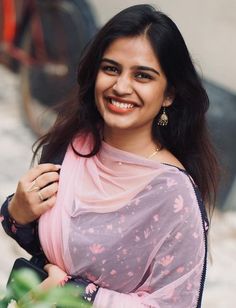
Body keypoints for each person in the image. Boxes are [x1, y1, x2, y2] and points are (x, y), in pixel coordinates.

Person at [1, 4, 219, 307]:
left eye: (142, 76)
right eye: (111, 69)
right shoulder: (73, 145)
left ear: (169, 93)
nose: (121, 87)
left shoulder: (173, 194)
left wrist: (76, 294)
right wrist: (16, 214)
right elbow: (54, 249)